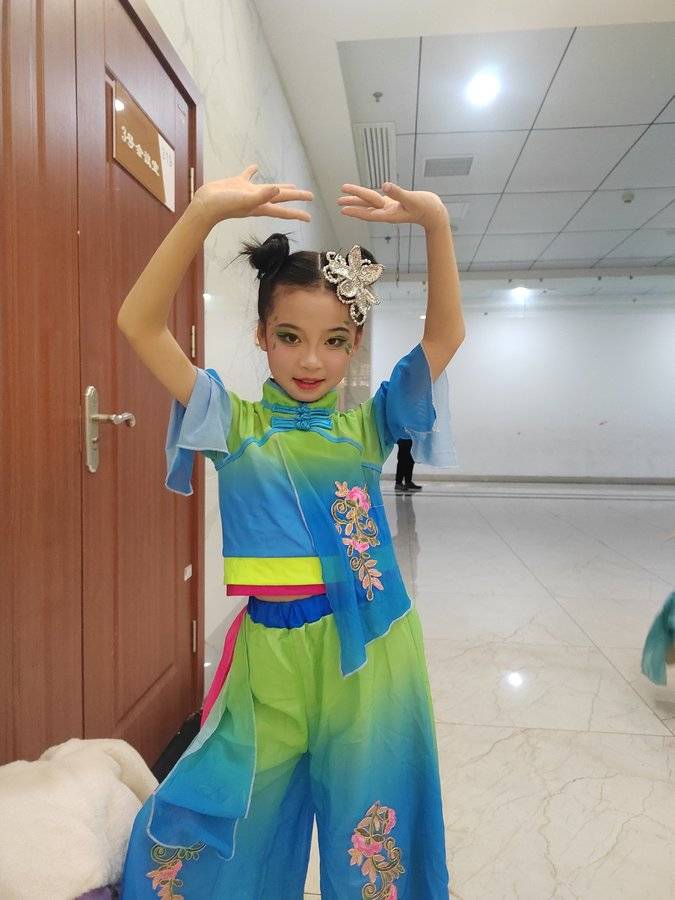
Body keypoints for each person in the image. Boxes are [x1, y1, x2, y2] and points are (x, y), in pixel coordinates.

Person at [116, 164, 464, 898]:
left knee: (371, 817)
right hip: (269, 654)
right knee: (236, 810)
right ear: (261, 336)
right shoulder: (232, 423)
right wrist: (201, 213)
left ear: (354, 344)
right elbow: (138, 324)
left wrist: (435, 224)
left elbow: (445, 336)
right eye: (289, 336)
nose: (311, 360)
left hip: (372, 652)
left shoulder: (365, 428)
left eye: (334, 340)